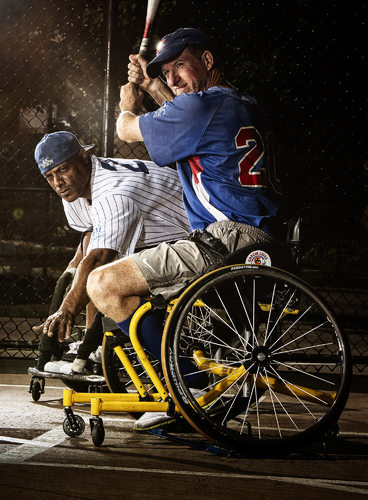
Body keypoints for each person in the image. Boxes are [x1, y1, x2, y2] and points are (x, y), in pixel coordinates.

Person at [85, 28, 284, 430]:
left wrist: (129, 103)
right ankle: (187, 384)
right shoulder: (242, 103)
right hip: (262, 240)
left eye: (180, 65)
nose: (173, 78)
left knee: (103, 284)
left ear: (207, 61)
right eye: (167, 71)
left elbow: (127, 130)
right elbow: (186, 112)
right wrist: (152, 83)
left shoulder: (202, 107)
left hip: (225, 241)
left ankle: (185, 389)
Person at [33, 130, 190, 372]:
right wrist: (67, 281)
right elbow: (90, 239)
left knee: (106, 281)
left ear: (83, 156)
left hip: (197, 240)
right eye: (49, 176)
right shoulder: (78, 186)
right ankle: (92, 342)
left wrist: (68, 308)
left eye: (63, 169)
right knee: (88, 272)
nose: (57, 183)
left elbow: (97, 260)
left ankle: (185, 373)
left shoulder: (111, 193)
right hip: (165, 241)